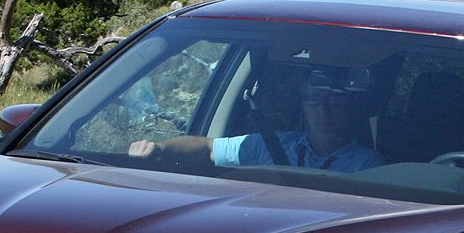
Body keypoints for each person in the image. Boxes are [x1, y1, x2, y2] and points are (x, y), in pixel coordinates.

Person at [128, 71, 384, 172]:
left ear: (350, 109)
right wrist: (159, 150)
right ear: (303, 108)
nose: (324, 111)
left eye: (335, 103)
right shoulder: (271, 143)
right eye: (315, 102)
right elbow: (208, 148)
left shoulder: (367, 164)